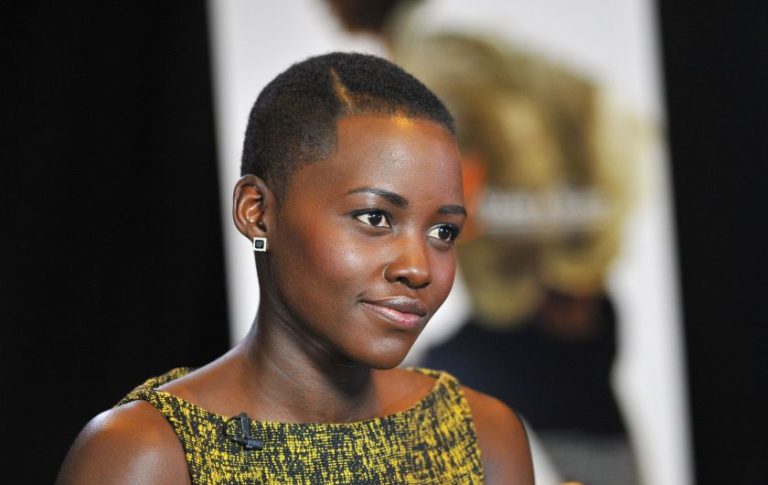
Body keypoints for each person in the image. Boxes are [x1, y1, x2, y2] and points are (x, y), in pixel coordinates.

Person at [55, 52, 534, 484]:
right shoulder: (147, 455)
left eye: (444, 231)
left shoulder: (481, 435)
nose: (418, 268)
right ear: (256, 211)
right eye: (374, 218)